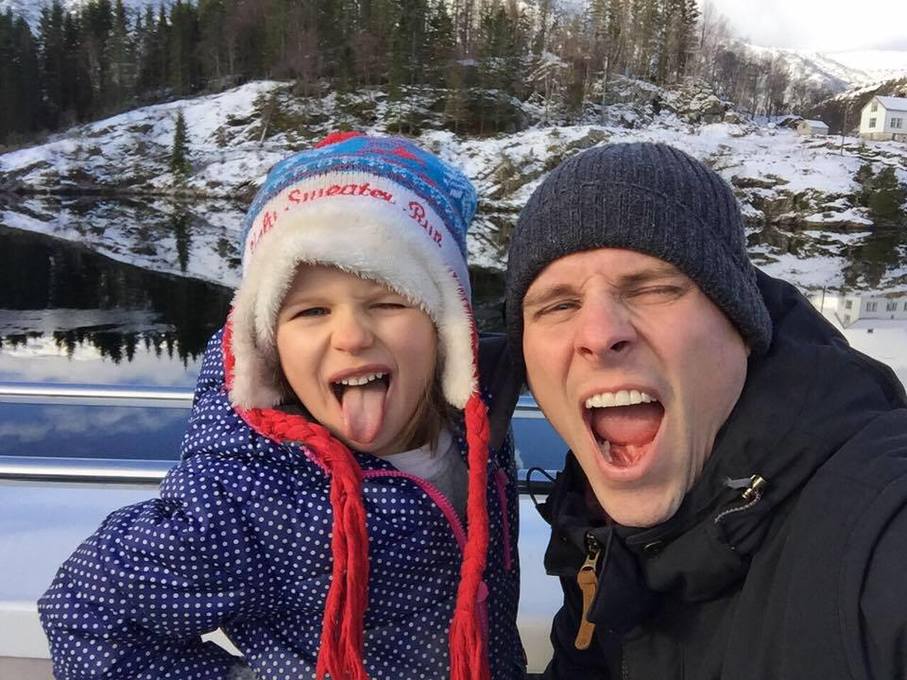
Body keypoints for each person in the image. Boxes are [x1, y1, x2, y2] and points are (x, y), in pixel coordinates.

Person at [39, 132, 525, 680]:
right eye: (311, 311)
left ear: (445, 329)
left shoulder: (477, 421)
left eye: (389, 302)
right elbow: (84, 612)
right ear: (269, 347)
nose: (351, 336)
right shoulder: (247, 500)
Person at [504, 141, 907, 679]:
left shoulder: (880, 527)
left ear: (740, 325)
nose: (598, 335)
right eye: (559, 305)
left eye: (653, 289)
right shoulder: (592, 529)